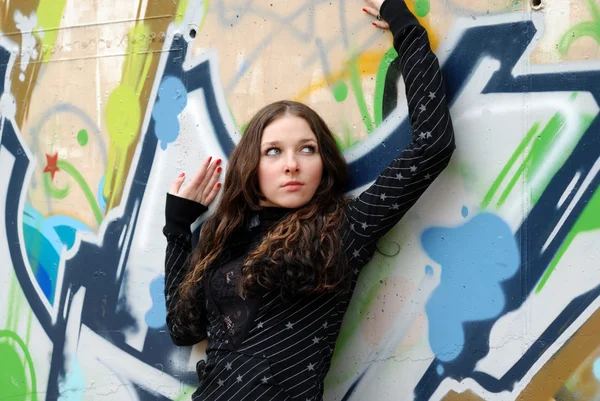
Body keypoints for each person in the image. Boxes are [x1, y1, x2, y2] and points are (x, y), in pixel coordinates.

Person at [163, 0, 455, 399]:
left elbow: (431, 146)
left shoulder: (344, 230)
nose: (291, 165)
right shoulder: (225, 240)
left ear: (324, 164)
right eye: (273, 151)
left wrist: (406, 30)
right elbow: (184, 330)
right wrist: (178, 228)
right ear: (252, 164)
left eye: (307, 149)